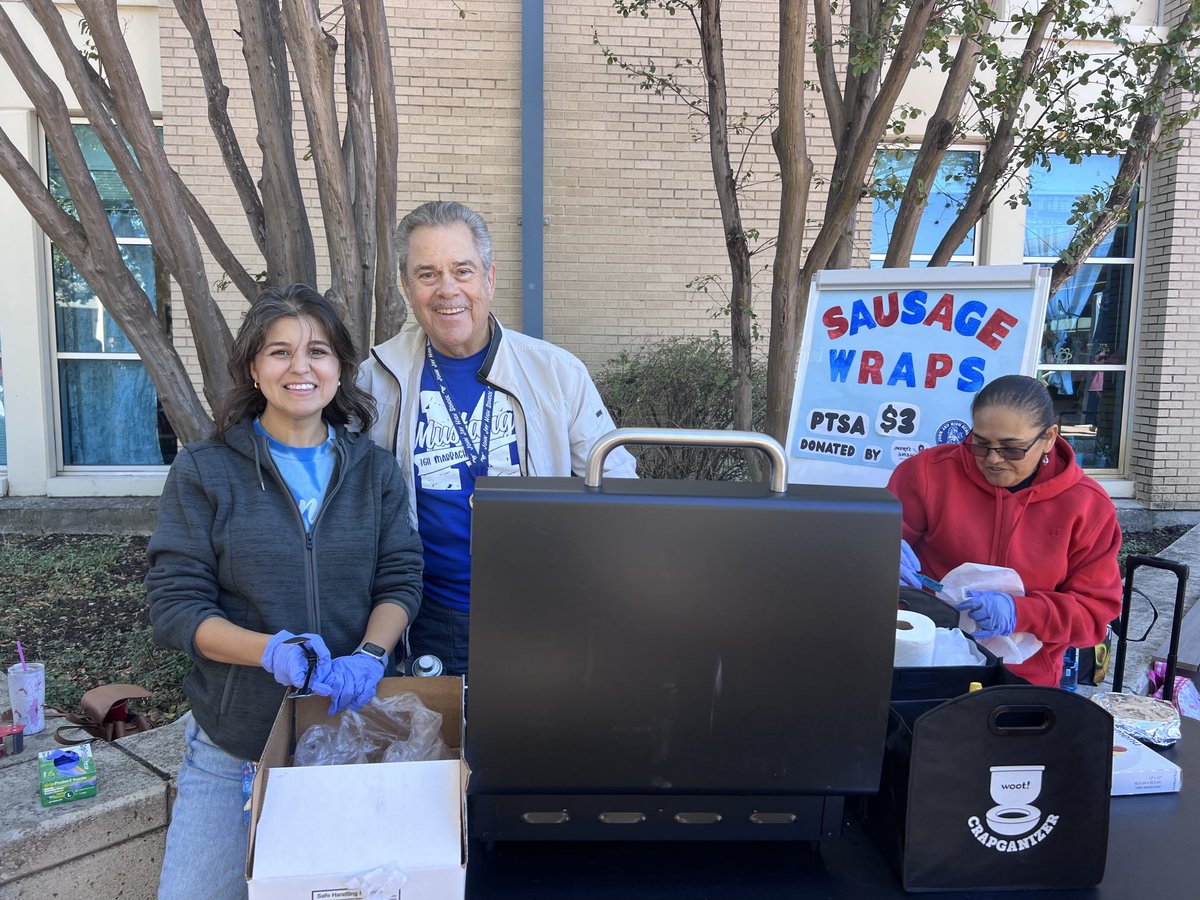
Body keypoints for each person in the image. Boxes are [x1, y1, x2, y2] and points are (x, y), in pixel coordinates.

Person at [146, 285, 423, 900]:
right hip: (233, 745)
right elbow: (175, 606)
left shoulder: (374, 472)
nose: (301, 367)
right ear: (254, 366)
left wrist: (371, 656)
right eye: (280, 352)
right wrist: (267, 649)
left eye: (318, 351)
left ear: (340, 368)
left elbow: (401, 578)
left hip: (347, 735)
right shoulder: (204, 470)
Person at [359, 200, 635, 676]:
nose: (448, 290)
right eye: (427, 274)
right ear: (407, 287)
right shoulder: (377, 379)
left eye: (462, 270)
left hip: (543, 610)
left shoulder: (556, 373)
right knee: (450, 746)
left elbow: (616, 484)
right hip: (430, 616)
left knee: (539, 743)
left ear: (488, 277)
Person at [888, 374, 1122, 687]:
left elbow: (1093, 614)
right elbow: (864, 548)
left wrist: (1021, 612)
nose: (994, 460)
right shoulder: (929, 473)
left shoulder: (1087, 507)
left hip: (1027, 675)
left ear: (1049, 438)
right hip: (928, 656)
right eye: (981, 444)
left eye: (1013, 449)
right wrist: (880, 550)